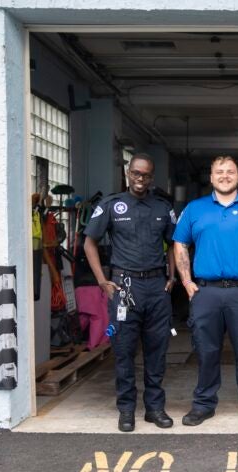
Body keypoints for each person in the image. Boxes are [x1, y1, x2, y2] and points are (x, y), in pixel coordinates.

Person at [173, 155, 238, 427]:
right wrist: (186, 282)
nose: (225, 176)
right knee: (206, 352)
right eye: (219, 172)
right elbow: (179, 245)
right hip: (205, 293)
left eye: (230, 171)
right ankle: (203, 405)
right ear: (211, 177)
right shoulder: (194, 209)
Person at [83, 153, 177, 432]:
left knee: (157, 350)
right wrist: (102, 280)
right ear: (128, 173)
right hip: (123, 288)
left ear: (151, 177)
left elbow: (173, 243)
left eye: (145, 175)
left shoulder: (162, 207)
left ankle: (155, 408)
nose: (140, 178)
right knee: (123, 350)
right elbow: (90, 243)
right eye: (136, 173)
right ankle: (126, 410)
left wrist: (171, 276)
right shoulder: (111, 205)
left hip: (157, 288)